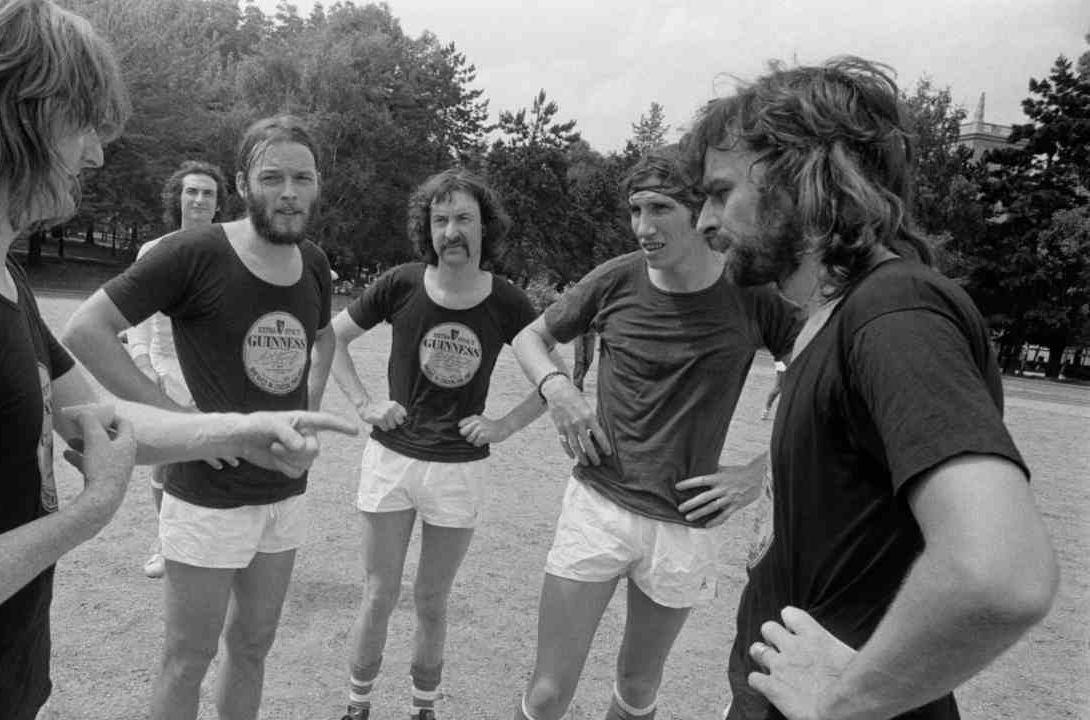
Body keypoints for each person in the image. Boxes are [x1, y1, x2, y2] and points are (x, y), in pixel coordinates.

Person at [0, 3, 353, 719]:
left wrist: (242, 429)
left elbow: (97, 419)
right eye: (82, 124)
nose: (95, 154)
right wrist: (87, 513)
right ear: (8, 113)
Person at [681, 56, 1059, 720]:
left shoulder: (894, 310)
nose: (705, 220)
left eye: (719, 192)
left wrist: (845, 701)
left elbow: (1001, 573)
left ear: (799, 174)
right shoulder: (828, 323)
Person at [508, 149, 802, 720]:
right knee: (548, 691)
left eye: (660, 209)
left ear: (701, 212)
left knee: (638, 685)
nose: (643, 227)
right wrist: (559, 390)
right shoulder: (616, 278)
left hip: (684, 524)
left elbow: (824, 376)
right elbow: (529, 337)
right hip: (598, 503)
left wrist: (757, 473)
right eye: (635, 210)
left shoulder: (753, 295)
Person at [62, 115, 336, 720]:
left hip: (285, 491)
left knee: (254, 646)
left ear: (317, 187)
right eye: (272, 177)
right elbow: (87, 330)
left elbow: (324, 340)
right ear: (242, 182)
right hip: (208, 494)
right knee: (188, 657)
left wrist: (308, 413)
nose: (287, 192)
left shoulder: (313, 262)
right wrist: (181, 423)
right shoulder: (194, 252)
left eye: (301, 178)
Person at [330, 169, 545, 720]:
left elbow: (552, 383)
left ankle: (423, 708)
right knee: (379, 594)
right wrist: (364, 403)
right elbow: (329, 338)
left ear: (484, 227)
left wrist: (502, 426)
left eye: (464, 219)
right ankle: (358, 706)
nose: (452, 231)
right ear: (427, 228)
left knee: (431, 600)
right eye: (440, 219)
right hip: (391, 460)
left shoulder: (507, 301)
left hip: (457, 470)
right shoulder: (401, 283)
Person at [126, 160, 228, 578]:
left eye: (208, 193)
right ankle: (166, 540)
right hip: (167, 370)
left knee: (219, 455)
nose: (200, 199)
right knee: (167, 460)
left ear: (218, 203)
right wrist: (143, 364)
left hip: (216, 374)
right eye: (192, 191)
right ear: (178, 198)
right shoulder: (154, 252)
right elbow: (135, 317)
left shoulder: (229, 250)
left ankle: (215, 542)